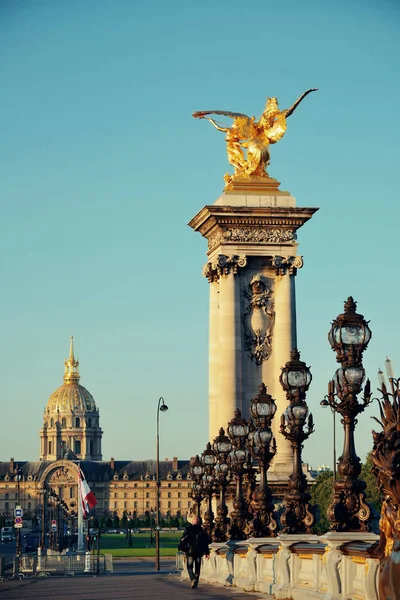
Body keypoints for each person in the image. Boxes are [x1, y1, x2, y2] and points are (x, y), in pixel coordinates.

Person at [179, 517, 210, 589]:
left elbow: (182, 540)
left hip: (190, 551)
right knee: (197, 568)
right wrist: (207, 552)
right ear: (199, 522)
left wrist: (183, 548)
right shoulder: (202, 530)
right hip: (199, 552)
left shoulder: (188, 529)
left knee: (189, 567)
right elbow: (205, 542)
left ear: (192, 522)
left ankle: (193, 579)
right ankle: (196, 580)